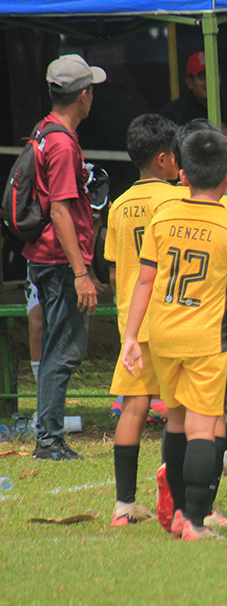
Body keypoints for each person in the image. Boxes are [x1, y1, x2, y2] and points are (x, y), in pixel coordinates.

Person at [120, 128, 227, 541]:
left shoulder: (163, 217)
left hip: (163, 335)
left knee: (176, 422)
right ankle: (194, 521)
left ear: (183, 175)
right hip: (207, 339)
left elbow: (144, 280)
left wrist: (131, 337)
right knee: (204, 428)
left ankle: (177, 514)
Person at [26, 54, 105, 461]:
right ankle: (49, 440)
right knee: (63, 350)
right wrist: (80, 272)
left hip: (48, 256)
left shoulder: (45, 130)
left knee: (57, 346)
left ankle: (47, 434)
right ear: (83, 95)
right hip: (60, 260)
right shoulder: (60, 142)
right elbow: (59, 210)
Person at [105, 113, 179, 526]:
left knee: (134, 407)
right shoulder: (175, 200)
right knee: (181, 410)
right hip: (171, 315)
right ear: (164, 159)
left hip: (132, 323)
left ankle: (124, 505)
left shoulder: (118, 206)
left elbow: (115, 270)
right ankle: (178, 499)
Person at [160, 51, 209, 125]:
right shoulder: (175, 113)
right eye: (202, 76)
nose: (208, 81)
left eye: (214, 75)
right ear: (189, 82)